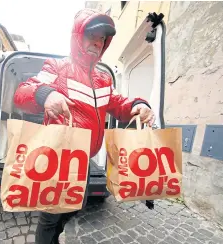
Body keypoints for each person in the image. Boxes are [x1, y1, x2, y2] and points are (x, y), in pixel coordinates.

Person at [13, 8, 155, 244]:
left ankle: (57, 231)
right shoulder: (56, 67)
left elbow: (118, 103)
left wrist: (139, 104)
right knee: (50, 216)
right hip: (59, 158)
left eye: (103, 38)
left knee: (75, 204)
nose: (98, 42)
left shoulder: (103, 78)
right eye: (93, 35)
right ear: (78, 36)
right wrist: (45, 94)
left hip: (84, 159)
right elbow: (22, 93)